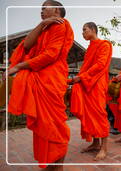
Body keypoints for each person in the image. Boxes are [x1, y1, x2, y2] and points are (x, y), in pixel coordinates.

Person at [6, 0, 74, 169]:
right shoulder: (44, 29)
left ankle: (58, 167)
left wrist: (19, 67)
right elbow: (27, 46)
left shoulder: (61, 25)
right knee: (44, 127)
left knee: (55, 127)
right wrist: (42, 24)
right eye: (41, 9)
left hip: (52, 80)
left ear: (57, 10)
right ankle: (51, 165)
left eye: (45, 8)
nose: (41, 11)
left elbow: (51, 55)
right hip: (41, 79)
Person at [70, 22, 112, 160]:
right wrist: (80, 78)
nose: (82, 33)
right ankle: (95, 143)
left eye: (84, 30)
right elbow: (86, 67)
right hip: (87, 84)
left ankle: (104, 148)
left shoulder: (104, 45)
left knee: (99, 114)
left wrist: (81, 77)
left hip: (97, 84)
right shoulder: (89, 48)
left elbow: (100, 65)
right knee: (90, 115)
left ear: (93, 30)